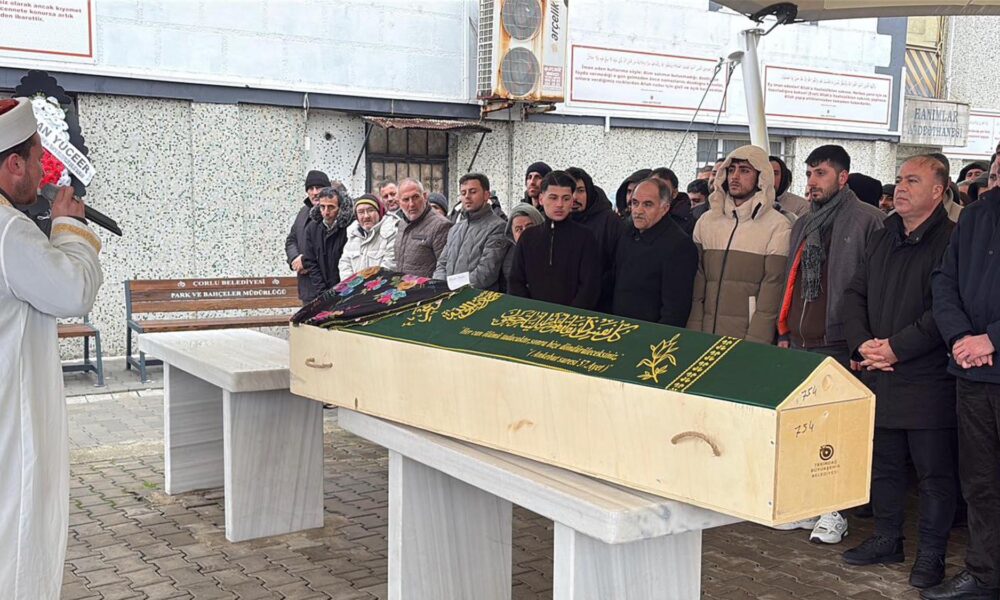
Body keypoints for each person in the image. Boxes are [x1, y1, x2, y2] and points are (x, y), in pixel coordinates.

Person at [0, 97, 104, 598]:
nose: (45, 170)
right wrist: (69, 226)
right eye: (38, 157)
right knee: (19, 537)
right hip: (11, 422)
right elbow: (72, 292)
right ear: (14, 165)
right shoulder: (8, 232)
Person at [840, 156, 957, 590]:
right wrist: (862, 343)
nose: (901, 187)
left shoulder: (952, 239)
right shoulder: (883, 233)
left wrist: (896, 348)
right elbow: (854, 293)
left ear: (938, 191)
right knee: (884, 464)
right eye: (899, 179)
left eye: (913, 180)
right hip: (879, 369)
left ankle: (932, 554)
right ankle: (887, 539)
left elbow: (945, 310)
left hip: (928, 377)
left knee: (933, 475)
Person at [776, 145, 885, 544]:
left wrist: (860, 342)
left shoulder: (869, 220)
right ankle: (809, 504)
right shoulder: (804, 223)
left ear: (842, 177)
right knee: (804, 428)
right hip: (801, 339)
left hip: (839, 341)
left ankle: (835, 511)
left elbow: (875, 290)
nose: (812, 182)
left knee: (837, 430)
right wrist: (782, 331)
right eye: (809, 173)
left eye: (820, 173)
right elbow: (790, 279)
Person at [926, 184, 1000, 600]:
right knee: (979, 482)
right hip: (972, 372)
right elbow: (944, 281)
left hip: (987, 354)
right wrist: (959, 337)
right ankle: (985, 574)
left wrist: (992, 339)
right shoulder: (976, 214)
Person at [687, 145, 791, 344]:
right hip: (704, 335)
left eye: (744, 171)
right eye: (731, 170)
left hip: (746, 340)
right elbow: (697, 286)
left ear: (761, 177)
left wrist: (755, 343)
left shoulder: (778, 226)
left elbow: (771, 294)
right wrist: (694, 332)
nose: (735, 176)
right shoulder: (707, 221)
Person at [507, 171, 601, 309]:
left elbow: (589, 287)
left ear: (572, 201)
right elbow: (515, 281)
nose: (559, 204)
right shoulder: (528, 237)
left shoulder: (585, 238)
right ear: (541, 199)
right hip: (532, 316)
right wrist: (529, 311)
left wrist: (569, 316)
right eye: (553, 198)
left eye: (566, 198)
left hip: (572, 318)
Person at [612, 178, 697, 326]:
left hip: (650, 333)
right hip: (617, 328)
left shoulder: (679, 246)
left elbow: (675, 310)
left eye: (648, 204)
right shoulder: (627, 233)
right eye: (635, 203)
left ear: (665, 208)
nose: (638, 211)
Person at [433, 173, 509, 290]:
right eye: (463, 193)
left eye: (473, 192)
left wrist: (452, 287)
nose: (467, 197)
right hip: (448, 294)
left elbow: (486, 273)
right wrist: (441, 285)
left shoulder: (498, 227)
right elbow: (442, 264)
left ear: (486, 195)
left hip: (477, 297)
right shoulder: (455, 229)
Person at [566, 166, 623, 310]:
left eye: (580, 190)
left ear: (589, 191)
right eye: (570, 191)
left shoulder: (610, 221)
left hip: (601, 304)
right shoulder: (559, 221)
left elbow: (618, 266)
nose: (574, 197)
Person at [394, 178, 452, 278]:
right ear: (399, 202)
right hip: (403, 286)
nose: (411, 204)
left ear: (425, 197)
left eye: (416, 197)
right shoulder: (402, 223)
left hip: (427, 287)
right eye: (406, 199)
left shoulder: (441, 225)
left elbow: (446, 268)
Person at [286, 169, 330, 302]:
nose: (315, 192)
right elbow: (291, 240)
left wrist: (305, 261)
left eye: (319, 187)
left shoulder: (333, 212)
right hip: (306, 287)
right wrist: (295, 258)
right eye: (311, 188)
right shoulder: (303, 212)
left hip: (327, 286)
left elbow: (329, 247)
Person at [302, 187, 352, 301]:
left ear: (340, 208)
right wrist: (323, 292)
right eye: (322, 207)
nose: (326, 212)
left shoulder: (349, 228)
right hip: (321, 291)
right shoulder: (312, 228)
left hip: (345, 289)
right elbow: (311, 262)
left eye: (331, 207)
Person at [338, 194, 397, 280]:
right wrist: (351, 285)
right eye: (361, 212)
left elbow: (389, 265)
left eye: (370, 210)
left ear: (379, 212)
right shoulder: (353, 235)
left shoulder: (391, 232)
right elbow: (345, 264)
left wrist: (368, 286)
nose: (366, 216)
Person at [500, 203, 544, 291]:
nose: (524, 233)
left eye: (529, 227)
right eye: (518, 229)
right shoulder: (509, 258)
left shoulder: (553, 253)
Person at [651, 167, 695, 236]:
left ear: (674, 193)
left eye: (663, 190)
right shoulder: (637, 211)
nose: (657, 193)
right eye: (652, 187)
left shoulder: (688, 222)